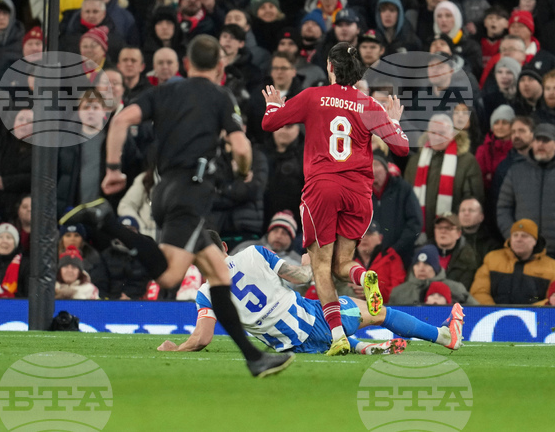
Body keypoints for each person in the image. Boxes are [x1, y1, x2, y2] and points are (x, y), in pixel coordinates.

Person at [83, 34, 294, 377]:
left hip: (164, 188)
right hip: (190, 194)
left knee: (218, 274)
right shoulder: (220, 97)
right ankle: (105, 220)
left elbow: (120, 120)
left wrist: (112, 171)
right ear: (221, 66)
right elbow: (241, 149)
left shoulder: (164, 91)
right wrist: (242, 172)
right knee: (170, 274)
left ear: (186, 63)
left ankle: (254, 359)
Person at [261, 42, 410, 356]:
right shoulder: (369, 104)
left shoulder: (313, 96)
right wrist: (394, 121)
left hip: (323, 188)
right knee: (343, 264)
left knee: (320, 267)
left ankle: (339, 336)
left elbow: (269, 124)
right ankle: (363, 275)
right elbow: (401, 148)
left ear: (330, 66)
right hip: (359, 193)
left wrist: (274, 104)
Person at [158, 242, 463, 355]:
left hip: (287, 348)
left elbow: (202, 338)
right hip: (313, 319)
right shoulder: (253, 253)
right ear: (224, 247)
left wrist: (176, 348)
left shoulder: (204, 292)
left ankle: (367, 348)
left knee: (335, 339)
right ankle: (446, 336)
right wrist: (310, 263)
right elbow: (303, 279)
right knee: (382, 313)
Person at [405, 113, 485, 233]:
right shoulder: (415, 161)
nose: (437, 138)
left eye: (442, 133)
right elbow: (407, 197)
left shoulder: (467, 161)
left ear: (452, 134)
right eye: (433, 133)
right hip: (421, 231)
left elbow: (473, 197)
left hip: (454, 231)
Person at [497, 122, 555, 255]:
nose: (540, 144)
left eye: (546, 140)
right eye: (537, 140)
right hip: (524, 254)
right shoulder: (516, 171)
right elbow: (503, 208)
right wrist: (513, 237)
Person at [470, 218, 555, 304]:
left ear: (535, 241)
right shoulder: (492, 258)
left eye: (524, 236)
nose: (518, 239)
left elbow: (552, 299)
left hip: (535, 316)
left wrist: (528, 313)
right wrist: (494, 312)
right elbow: (479, 291)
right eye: (515, 235)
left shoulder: (552, 267)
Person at [387, 244, 477, 305]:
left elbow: (476, 311)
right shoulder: (398, 292)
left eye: (426, 264)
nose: (421, 268)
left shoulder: (456, 288)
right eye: (417, 264)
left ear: (435, 267)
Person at [430, 213, 481, 290]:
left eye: (448, 228)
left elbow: (464, 290)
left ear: (458, 234)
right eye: (439, 228)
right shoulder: (422, 254)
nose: (443, 231)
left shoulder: (468, 257)